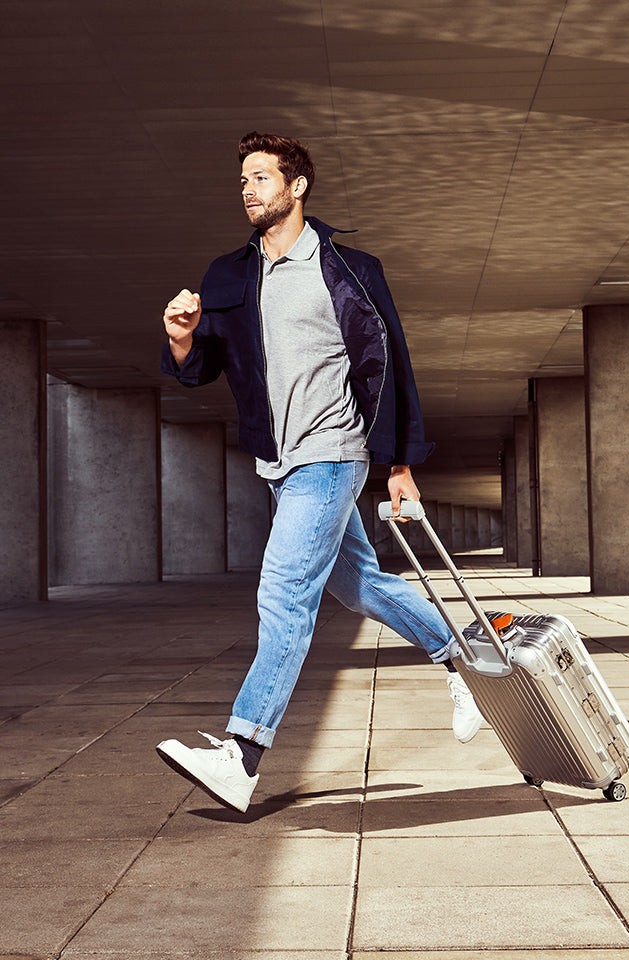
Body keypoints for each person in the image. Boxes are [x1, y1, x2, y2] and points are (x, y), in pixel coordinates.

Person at [156, 132, 482, 813]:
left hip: (333, 454)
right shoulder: (231, 276)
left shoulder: (351, 269)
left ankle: (241, 754)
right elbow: (205, 366)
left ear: (296, 187)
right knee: (359, 584)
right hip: (278, 463)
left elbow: (390, 367)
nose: (249, 189)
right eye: (242, 178)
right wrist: (182, 336)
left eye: (262, 177)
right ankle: (463, 659)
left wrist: (399, 463)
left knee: (282, 593)